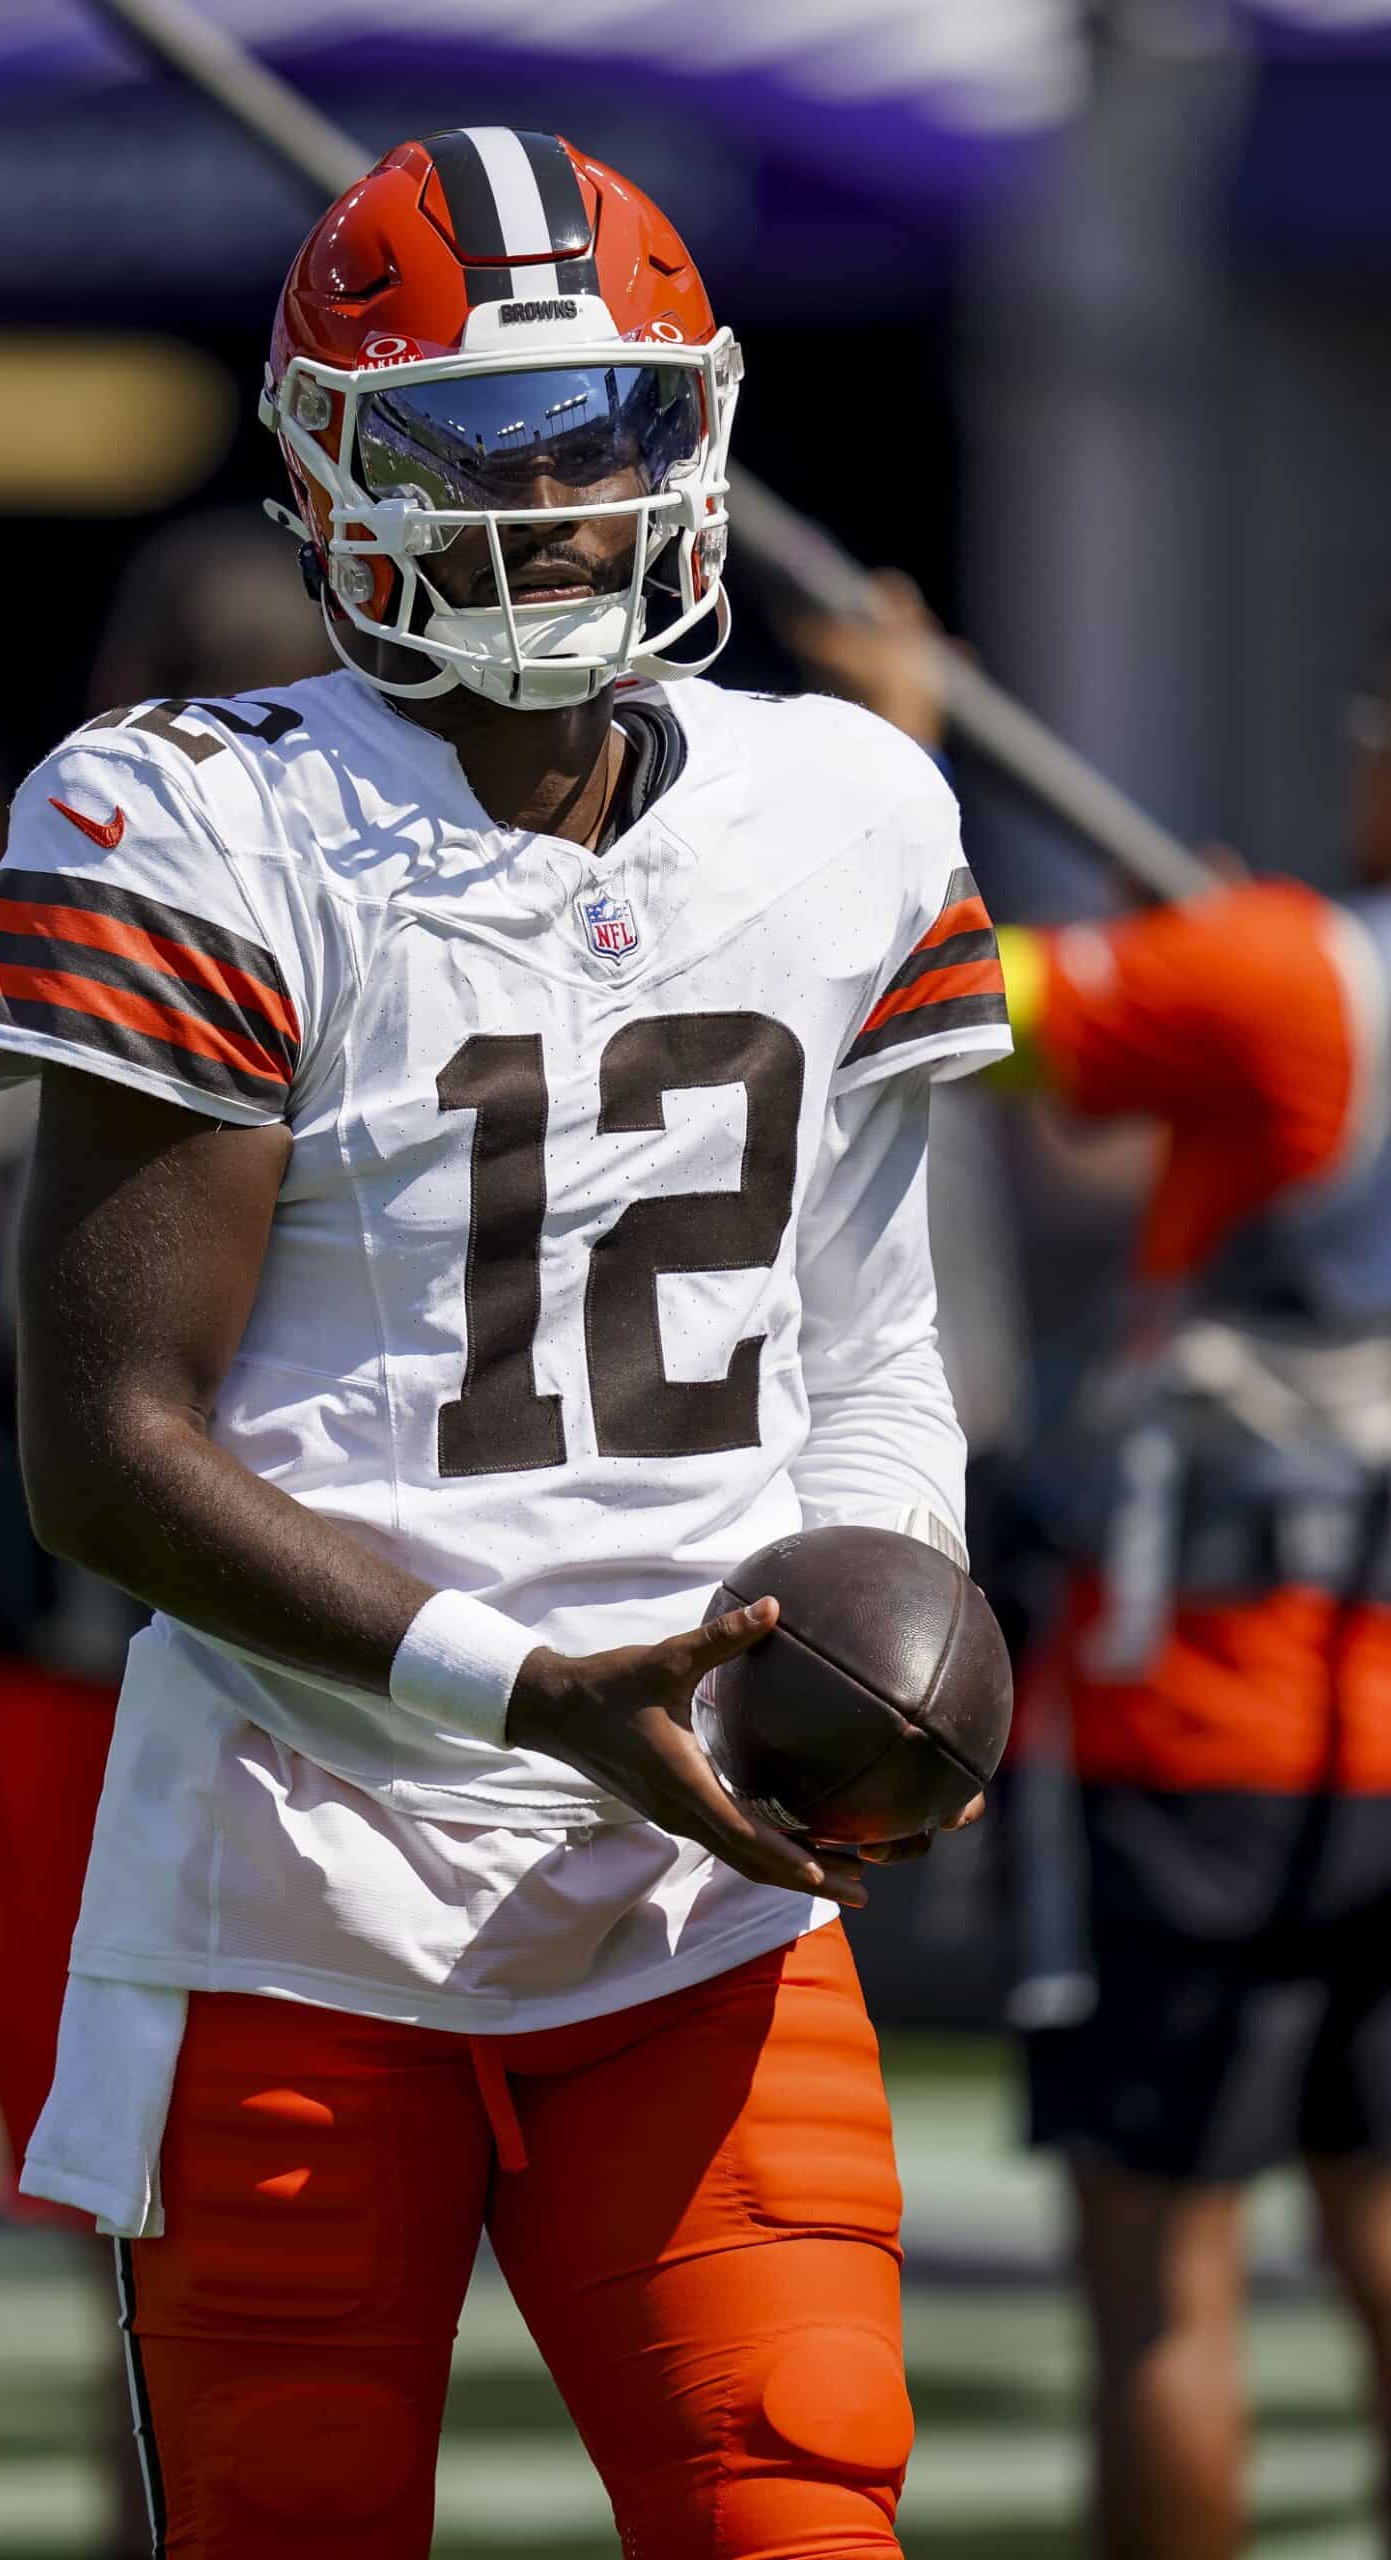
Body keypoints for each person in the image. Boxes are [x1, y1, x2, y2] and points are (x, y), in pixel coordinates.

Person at [0, 132, 1009, 2558]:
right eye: (472, 450)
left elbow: (870, 1348)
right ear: (327, 466)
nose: (556, 504)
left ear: (698, 430)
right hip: (302, 1886)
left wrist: (890, 1642)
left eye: (606, 430)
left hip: (705, 1889)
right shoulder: (194, 819)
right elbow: (103, 1452)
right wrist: (539, 1695)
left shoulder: (844, 803)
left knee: (798, 2506)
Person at [801, 584, 1391, 2560]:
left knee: (1164, 2281)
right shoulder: (1259, 981)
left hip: (1207, 1715)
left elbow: (950, 999)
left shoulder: (1276, 982)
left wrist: (898, 749)